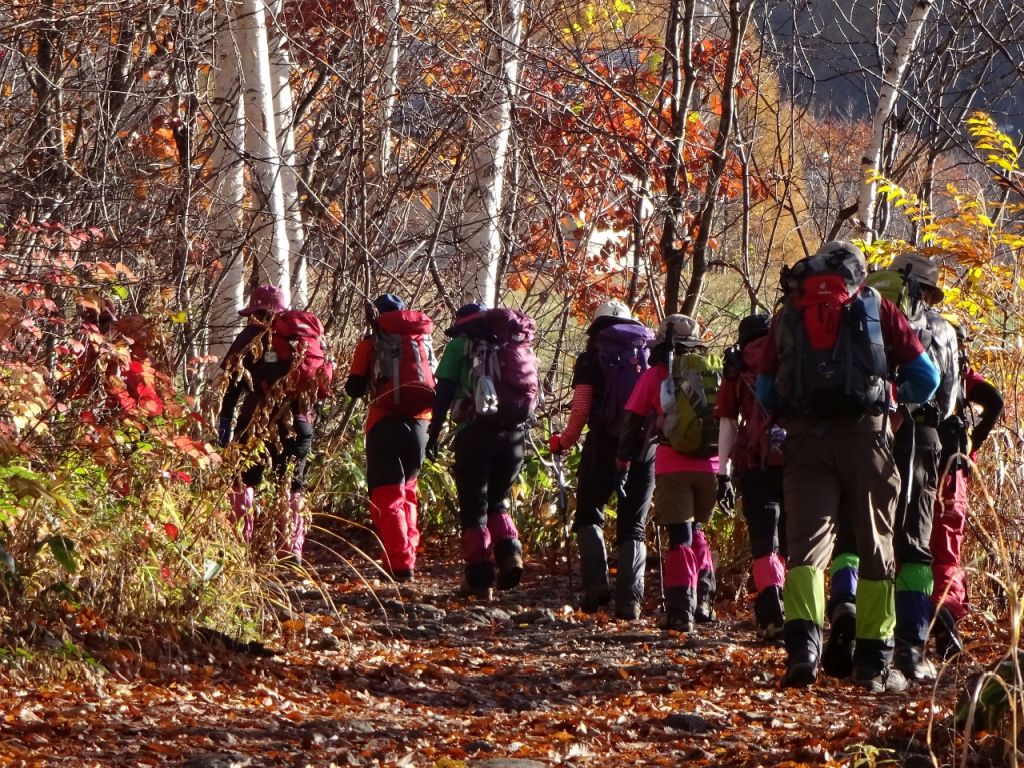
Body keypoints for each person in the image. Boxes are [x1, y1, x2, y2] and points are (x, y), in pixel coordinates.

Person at [757, 241, 939, 693]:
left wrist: (794, 415)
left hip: (804, 443)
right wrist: (896, 404)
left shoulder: (788, 314)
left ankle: (803, 651)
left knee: (807, 550)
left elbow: (764, 393)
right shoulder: (876, 307)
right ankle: (872, 664)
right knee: (878, 547)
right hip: (868, 438)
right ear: (858, 273)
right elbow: (928, 378)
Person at [549, 300, 655, 619]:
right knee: (633, 526)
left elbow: (581, 408)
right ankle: (630, 601)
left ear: (596, 326)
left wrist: (564, 441)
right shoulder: (648, 354)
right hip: (644, 445)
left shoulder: (592, 356)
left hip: (603, 444)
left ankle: (596, 588)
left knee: (588, 513)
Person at [427, 304, 538, 600]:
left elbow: (444, 393)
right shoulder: (513, 344)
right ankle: (511, 555)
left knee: (474, 508)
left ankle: (480, 580)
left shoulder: (460, 346)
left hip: (474, 435)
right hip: (514, 437)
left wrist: (433, 433)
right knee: (497, 502)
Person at [618, 314, 720, 632]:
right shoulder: (713, 373)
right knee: (698, 531)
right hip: (712, 465)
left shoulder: (655, 376)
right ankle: (703, 600)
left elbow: (633, 422)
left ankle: (680, 611)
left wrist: (623, 461)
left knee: (680, 538)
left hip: (672, 465)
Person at [219, 285, 331, 563]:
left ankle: (240, 544)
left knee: (244, 480)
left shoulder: (252, 335)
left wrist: (224, 422)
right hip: (302, 420)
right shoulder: (303, 337)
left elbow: (232, 385)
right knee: (293, 484)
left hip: (257, 420)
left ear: (256, 311)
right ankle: (291, 550)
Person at [344, 294, 436, 581]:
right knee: (408, 491)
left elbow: (354, 388)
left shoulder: (371, 343)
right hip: (422, 424)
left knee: (387, 495)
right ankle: (407, 553)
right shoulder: (423, 342)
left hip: (384, 424)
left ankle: (399, 565)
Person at [931, 316, 1003, 658]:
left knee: (908, 546)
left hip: (911, 462)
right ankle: (947, 618)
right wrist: (973, 443)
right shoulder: (961, 373)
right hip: (953, 466)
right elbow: (995, 401)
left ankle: (909, 625)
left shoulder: (912, 360)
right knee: (947, 547)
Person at [715, 312, 787, 643]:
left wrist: (723, 473)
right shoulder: (789, 353)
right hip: (797, 459)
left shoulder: (736, 367)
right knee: (794, 540)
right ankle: (800, 614)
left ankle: (771, 612)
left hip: (755, 462)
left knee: (764, 541)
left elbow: (728, 423)